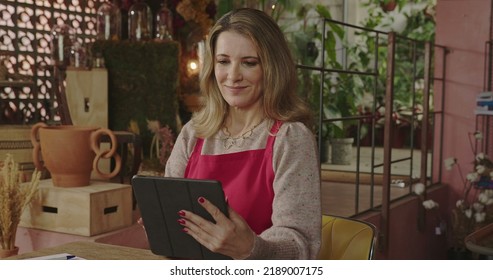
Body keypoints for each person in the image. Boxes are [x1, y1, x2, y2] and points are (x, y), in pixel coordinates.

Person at [164, 8, 321, 260]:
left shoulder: (291, 138)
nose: (233, 76)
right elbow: (173, 220)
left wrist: (252, 249)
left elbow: (302, 244)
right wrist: (161, 224)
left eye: (249, 63)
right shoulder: (193, 133)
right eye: (223, 61)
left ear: (273, 68)